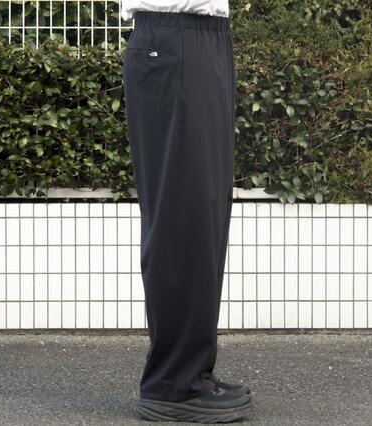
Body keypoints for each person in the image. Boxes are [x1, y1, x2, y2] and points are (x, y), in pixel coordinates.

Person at [121, 1, 252, 423]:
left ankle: (190, 373)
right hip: (176, 39)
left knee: (202, 210)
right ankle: (173, 385)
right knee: (183, 215)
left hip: (195, 40)